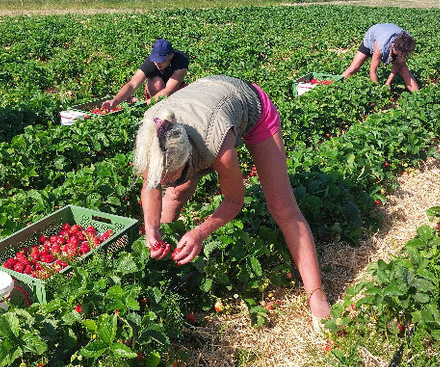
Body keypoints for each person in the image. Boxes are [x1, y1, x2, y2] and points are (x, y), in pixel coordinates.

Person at [134, 75, 331, 326]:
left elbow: (234, 200)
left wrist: (200, 232)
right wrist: (152, 231)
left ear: (189, 158)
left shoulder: (218, 146)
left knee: (282, 206)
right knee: (177, 192)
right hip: (204, 99)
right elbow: (150, 185)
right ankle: (164, 261)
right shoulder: (153, 139)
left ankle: (317, 295)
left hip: (248, 105)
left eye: (170, 176)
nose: (164, 183)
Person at [102, 38, 189, 111]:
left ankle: (162, 107)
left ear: (171, 55)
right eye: (156, 60)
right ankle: (157, 108)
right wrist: (114, 102)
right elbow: (132, 84)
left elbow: (168, 90)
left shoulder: (180, 60)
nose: (158, 63)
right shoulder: (150, 63)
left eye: (162, 60)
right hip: (157, 89)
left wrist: (144, 105)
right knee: (155, 82)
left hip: (176, 89)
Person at [342, 23, 419, 92]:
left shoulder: (406, 43)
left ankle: (418, 96)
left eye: (403, 54)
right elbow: (373, 70)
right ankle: (334, 83)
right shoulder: (381, 45)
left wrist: (388, 82)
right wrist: (378, 90)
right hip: (374, 34)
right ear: (393, 46)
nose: (401, 56)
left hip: (389, 31)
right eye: (399, 54)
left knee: (403, 69)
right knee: (353, 68)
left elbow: (397, 64)